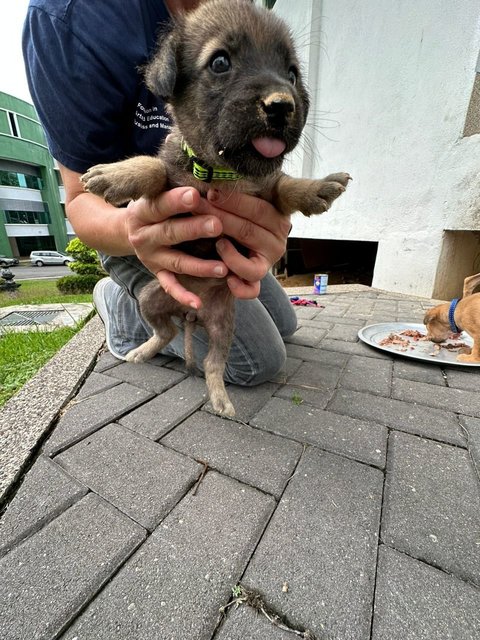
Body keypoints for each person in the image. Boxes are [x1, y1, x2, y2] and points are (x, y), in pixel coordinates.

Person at [22, 0, 297, 386]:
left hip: (211, 232)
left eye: (291, 73)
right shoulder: (70, 18)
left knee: (287, 324)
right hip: (130, 227)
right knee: (257, 362)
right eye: (220, 64)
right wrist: (135, 228)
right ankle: (119, 307)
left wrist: (269, 225)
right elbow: (82, 199)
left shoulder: (242, 15)